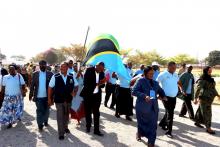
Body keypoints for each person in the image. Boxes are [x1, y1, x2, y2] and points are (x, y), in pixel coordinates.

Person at [132, 66, 166, 147]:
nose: (151, 75)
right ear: (145, 73)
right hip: (142, 107)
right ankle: (139, 133)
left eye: (153, 74)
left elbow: (161, 91)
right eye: (150, 73)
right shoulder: (140, 81)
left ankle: (151, 142)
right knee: (142, 123)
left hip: (153, 108)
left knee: (153, 125)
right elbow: (134, 91)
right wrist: (144, 96)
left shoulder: (155, 83)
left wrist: (163, 96)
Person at [48, 62, 78, 140]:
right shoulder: (55, 76)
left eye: (64, 67)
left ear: (67, 68)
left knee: (66, 115)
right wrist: (49, 98)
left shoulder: (71, 76)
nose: (62, 68)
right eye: (61, 67)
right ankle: (61, 133)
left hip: (68, 100)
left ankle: (65, 127)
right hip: (59, 100)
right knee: (60, 116)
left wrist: (74, 92)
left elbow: (76, 85)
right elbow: (50, 87)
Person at [157, 61, 184, 138]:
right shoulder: (162, 75)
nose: (174, 69)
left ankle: (162, 123)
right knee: (170, 113)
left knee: (169, 111)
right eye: (172, 68)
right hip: (165, 97)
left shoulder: (175, 75)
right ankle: (169, 131)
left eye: (175, 68)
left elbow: (178, 82)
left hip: (173, 97)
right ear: (168, 67)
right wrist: (159, 94)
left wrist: (181, 89)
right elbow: (155, 84)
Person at [80, 62, 106, 136]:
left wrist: (102, 83)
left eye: (102, 69)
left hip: (97, 96)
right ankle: (88, 126)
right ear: (97, 66)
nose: (101, 70)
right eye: (100, 69)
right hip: (88, 95)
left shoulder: (102, 73)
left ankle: (96, 130)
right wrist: (98, 84)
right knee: (88, 112)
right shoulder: (89, 70)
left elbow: (103, 85)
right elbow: (86, 83)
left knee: (96, 113)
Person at [194, 66, 220, 134]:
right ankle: (208, 128)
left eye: (211, 70)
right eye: (209, 70)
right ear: (206, 71)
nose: (210, 71)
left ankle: (197, 121)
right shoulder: (203, 79)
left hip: (210, 98)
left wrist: (217, 95)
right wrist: (195, 98)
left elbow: (213, 88)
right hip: (204, 98)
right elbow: (198, 89)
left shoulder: (210, 79)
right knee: (207, 113)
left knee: (201, 110)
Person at [29, 60, 53, 131]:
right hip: (38, 97)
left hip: (47, 97)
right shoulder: (35, 74)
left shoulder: (50, 74)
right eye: (41, 65)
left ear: (46, 65)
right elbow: (32, 85)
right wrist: (30, 94)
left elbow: (53, 86)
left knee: (46, 110)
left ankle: (45, 121)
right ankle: (40, 125)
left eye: (44, 64)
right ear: (39, 65)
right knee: (39, 111)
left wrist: (52, 97)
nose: (42, 66)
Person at [0, 64, 26, 129]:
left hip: (17, 97)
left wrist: (23, 91)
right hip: (8, 97)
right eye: (10, 69)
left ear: (15, 70)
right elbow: (3, 87)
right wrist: (1, 95)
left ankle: (18, 117)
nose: (11, 70)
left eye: (13, 69)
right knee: (9, 111)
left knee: (17, 109)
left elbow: (23, 85)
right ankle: (9, 122)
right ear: (8, 70)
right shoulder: (5, 77)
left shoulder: (19, 76)